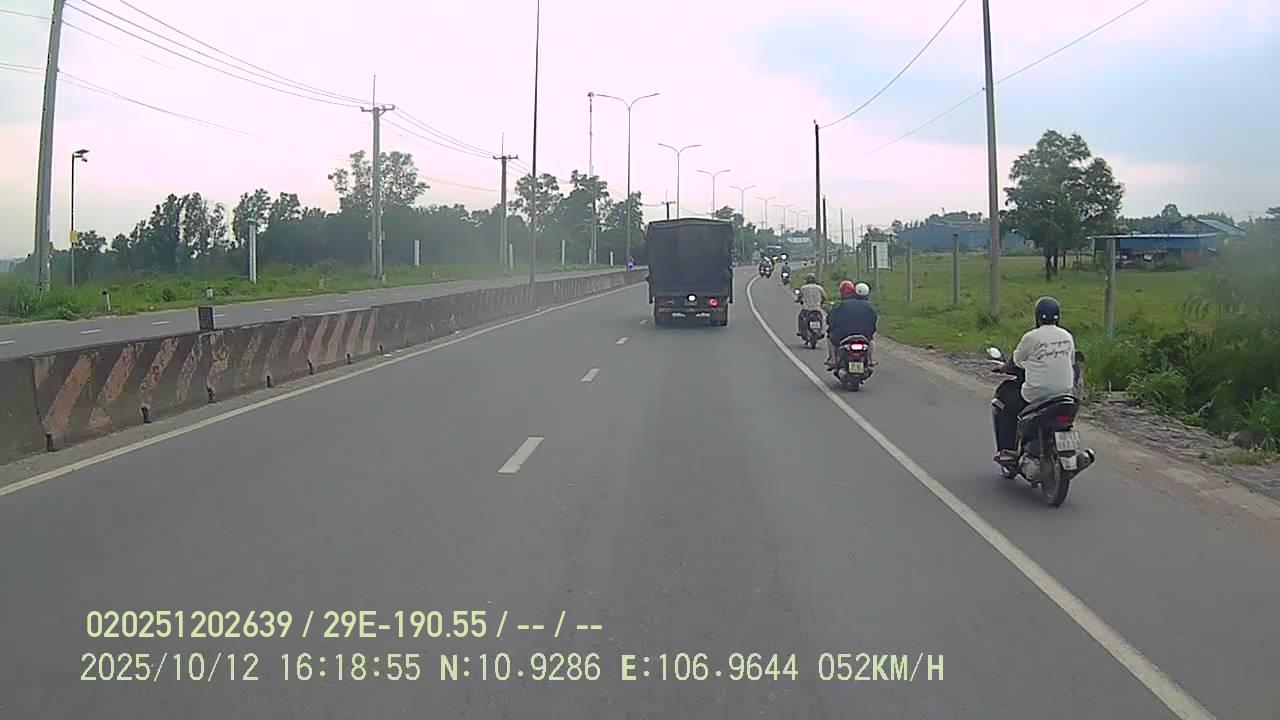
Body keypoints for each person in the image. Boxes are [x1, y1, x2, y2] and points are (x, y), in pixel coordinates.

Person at [992, 296, 1076, 463]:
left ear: (1037, 317)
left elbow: (1015, 360)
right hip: (1064, 393)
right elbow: (1070, 361)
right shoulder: (1067, 336)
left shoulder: (1031, 337)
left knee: (1004, 399)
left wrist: (1004, 368)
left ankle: (1008, 450)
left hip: (1037, 395)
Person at [825, 281, 877, 368]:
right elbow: (873, 322)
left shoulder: (841, 305)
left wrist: (832, 327)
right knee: (871, 341)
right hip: (864, 335)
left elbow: (831, 319)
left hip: (843, 334)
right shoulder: (869, 307)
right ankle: (871, 359)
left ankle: (833, 360)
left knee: (830, 339)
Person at [795, 273, 826, 337]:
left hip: (806, 309)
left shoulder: (803, 288)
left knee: (800, 318)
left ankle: (800, 331)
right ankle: (821, 331)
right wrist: (821, 302)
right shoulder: (819, 288)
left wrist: (798, 300)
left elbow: (799, 296)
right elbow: (824, 297)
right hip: (817, 309)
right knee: (821, 318)